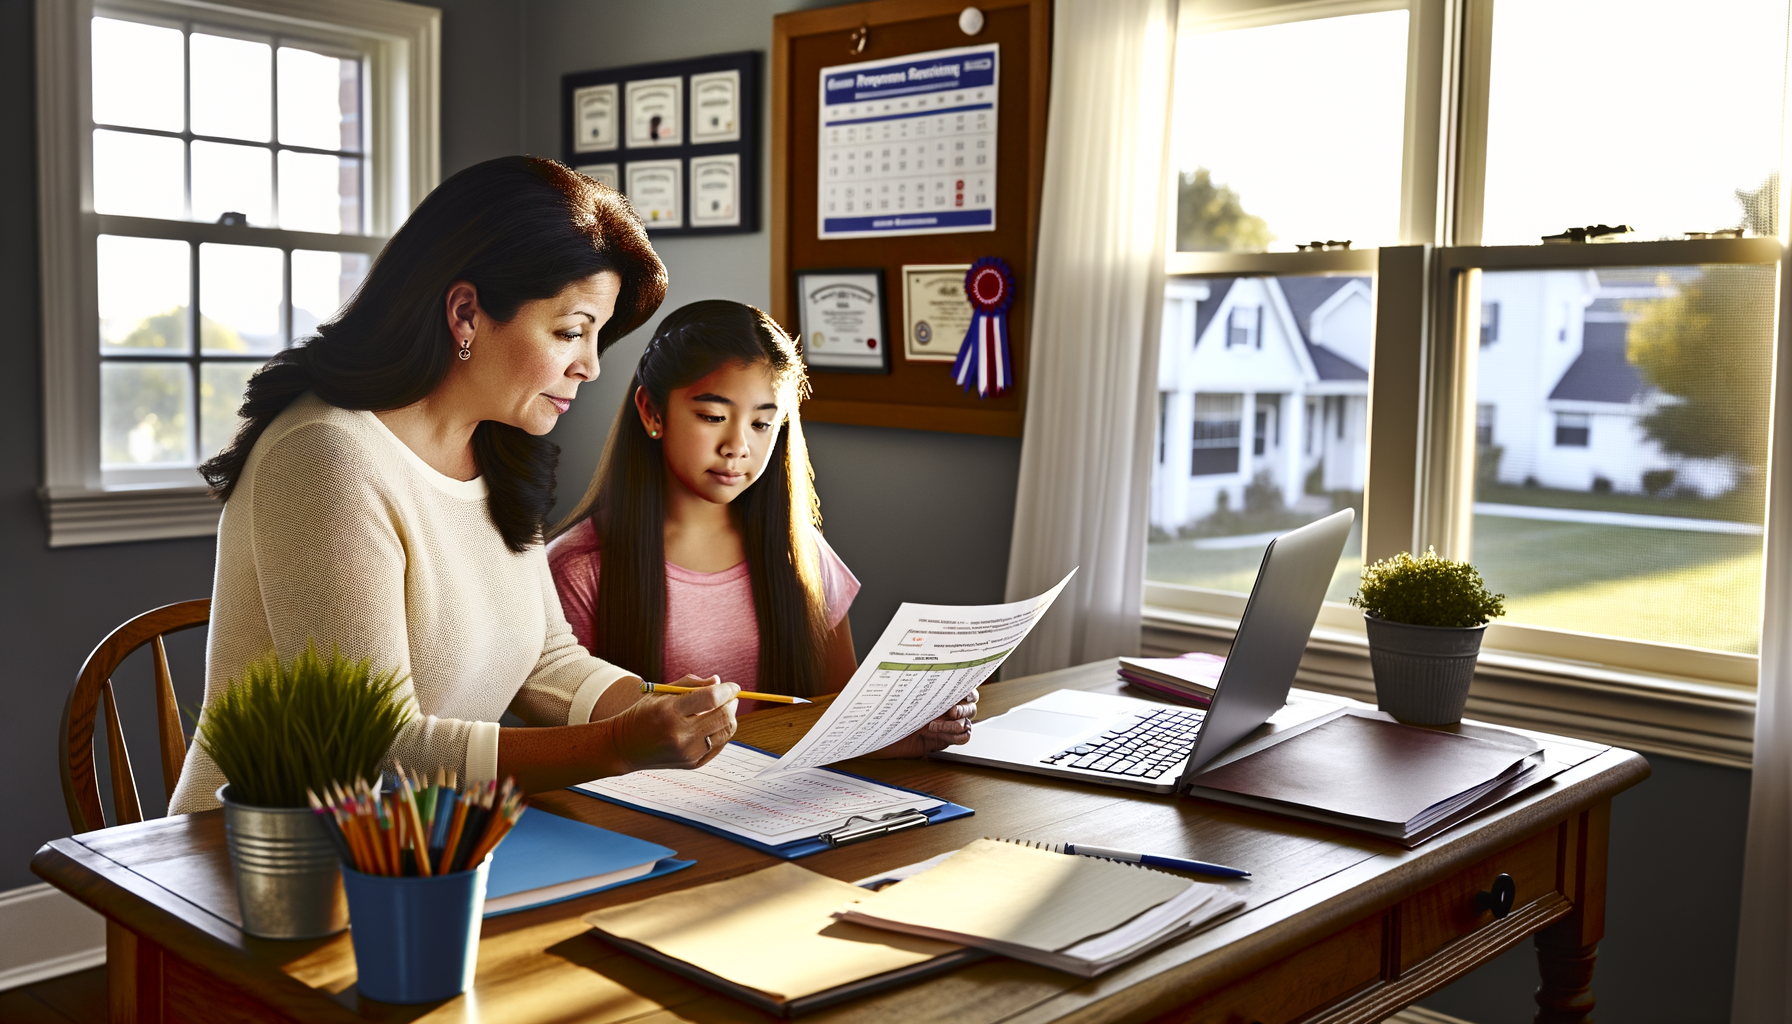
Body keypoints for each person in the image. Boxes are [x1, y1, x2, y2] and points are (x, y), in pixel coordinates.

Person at [168, 158, 740, 814]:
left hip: (427, 836)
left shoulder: (496, 447)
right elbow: (375, 743)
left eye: (597, 336)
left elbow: (544, 662)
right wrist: (617, 746)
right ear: (466, 312)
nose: (589, 365)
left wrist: (661, 710)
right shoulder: (325, 456)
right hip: (262, 857)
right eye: (570, 332)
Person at [548, 300, 976, 756]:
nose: (737, 446)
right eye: (713, 417)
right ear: (652, 412)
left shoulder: (800, 551)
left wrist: (909, 725)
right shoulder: (579, 568)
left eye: (761, 423)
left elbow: (838, 713)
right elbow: (574, 747)